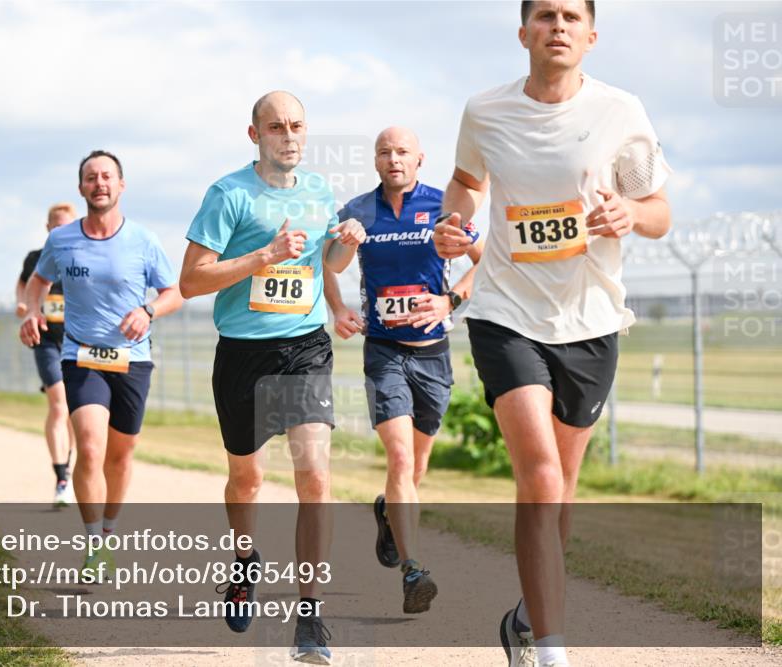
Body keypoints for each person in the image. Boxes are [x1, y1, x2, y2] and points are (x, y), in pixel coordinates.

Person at [434, 3, 672, 665]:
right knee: (539, 475)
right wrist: (454, 223)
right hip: (505, 313)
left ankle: (524, 617)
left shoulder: (621, 112)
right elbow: (465, 183)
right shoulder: (486, 112)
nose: (558, 26)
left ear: (591, 36)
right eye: (544, 15)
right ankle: (551, 649)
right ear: (524, 33)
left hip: (591, 321)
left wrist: (631, 214)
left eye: (571, 16)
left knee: (561, 488)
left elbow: (660, 212)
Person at [180, 90, 365, 665]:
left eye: (297, 126)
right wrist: (264, 255)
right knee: (247, 481)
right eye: (277, 126)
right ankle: (244, 562)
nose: (289, 135)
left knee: (315, 477)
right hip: (242, 353)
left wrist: (345, 244)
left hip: (305, 348)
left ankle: (310, 616)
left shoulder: (319, 191)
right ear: (254, 134)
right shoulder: (228, 194)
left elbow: (326, 264)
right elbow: (192, 280)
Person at [323, 126, 481, 614]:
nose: (394, 159)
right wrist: (339, 308)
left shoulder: (444, 206)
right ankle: (413, 570)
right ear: (375, 161)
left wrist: (449, 300)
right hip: (384, 350)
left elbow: (488, 262)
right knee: (399, 459)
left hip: (433, 352)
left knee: (417, 466)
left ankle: (389, 515)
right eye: (385, 152)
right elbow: (329, 263)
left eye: (402, 152)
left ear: (419, 159)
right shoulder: (357, 211)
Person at [20, 150, 182, 572]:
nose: (99, 184)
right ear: (81, 188)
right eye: (91, 178)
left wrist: (147, 311)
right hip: (81, 355)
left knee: (120, 456)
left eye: (107, 176)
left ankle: (109, 529)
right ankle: (95, 545)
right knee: (90, 448)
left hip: (132, 359)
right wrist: (32, 312)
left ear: (121, 185)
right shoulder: (61, 240)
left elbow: (174, 293)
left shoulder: (143, 240)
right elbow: (38, 281)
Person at [17, 202, 78, 506]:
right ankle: (62, 477)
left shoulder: (83, 256)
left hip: (77, 341)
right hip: (45, 340)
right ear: (48, 228)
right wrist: (25, 306)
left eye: (66, 226)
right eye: (56, 227)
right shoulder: (35, 259)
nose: (61, 231)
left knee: (74, 411)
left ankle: (69, 464)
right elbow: (22, 285)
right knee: (59, 404)